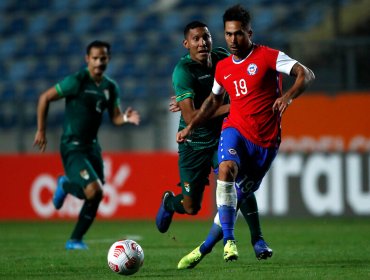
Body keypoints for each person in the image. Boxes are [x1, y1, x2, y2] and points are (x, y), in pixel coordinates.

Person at [177, 4, 315, 264]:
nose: (233, 40)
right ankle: (230, 241)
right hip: (235, 130)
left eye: (238, 34)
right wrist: (191, 126)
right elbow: (213, 102)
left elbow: (306, 74)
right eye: (228, 34)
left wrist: (288, 96)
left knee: (237, 198)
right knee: (226, 169)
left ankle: (205, 248)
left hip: (265, 142)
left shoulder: (268, 56)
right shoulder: (224, 67)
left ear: (249, 33)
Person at [155, 20, 273, 263]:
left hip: (225, 134)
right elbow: (190, 117)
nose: (202, 43)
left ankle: (258, 240)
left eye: (206, 37)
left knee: (238, 179)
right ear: (186, 44)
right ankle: (169, 203)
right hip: (194, 144)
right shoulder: (183, 71)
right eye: (196, 39)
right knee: (191, 207)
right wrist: (238, 106)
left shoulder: (222, 57)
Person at [33, 40, 140, 250]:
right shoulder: (78, 81)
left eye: (103, 58)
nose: (99, 62)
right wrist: (41, 130)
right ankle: (64, 185)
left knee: (96, 194)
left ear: (108, 59)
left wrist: (125, 118)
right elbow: (45, 97)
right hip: (72, 145)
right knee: (94, 191)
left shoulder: (110, 87)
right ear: (87, 59)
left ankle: (75, 239)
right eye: (95, 58)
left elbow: (116, 118)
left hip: (92, 147)